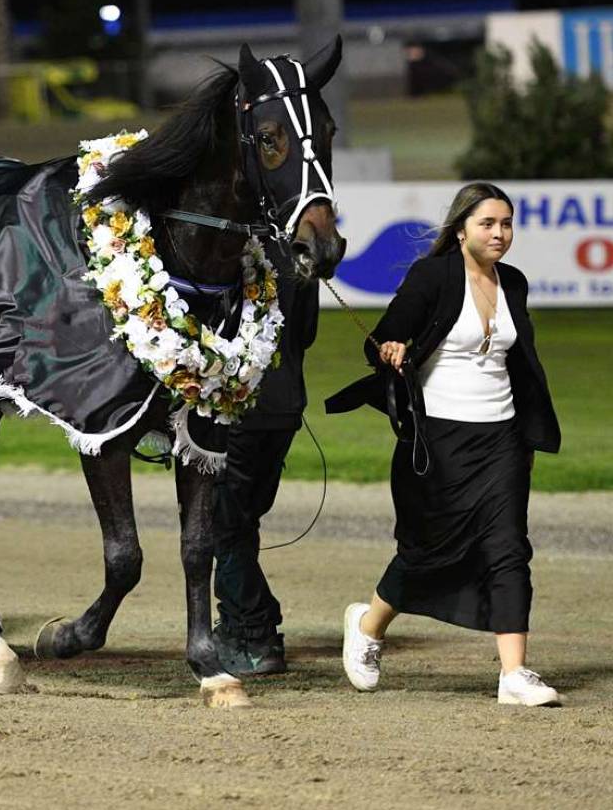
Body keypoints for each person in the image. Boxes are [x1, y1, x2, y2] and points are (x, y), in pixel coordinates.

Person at [326, 182, 562, 706]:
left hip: (502, 438)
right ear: (461, 230)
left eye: (506, 224)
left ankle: (514, 674)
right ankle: (367, 624)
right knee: (428, 550)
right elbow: (383, 337)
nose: (499, 233)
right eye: (487, 224)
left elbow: (518, 361)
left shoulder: (514, 284)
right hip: (438, 440)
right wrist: (388, 347)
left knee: (508, 547)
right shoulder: (431, 276)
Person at [211, 241, 319, 676]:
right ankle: (239, 624)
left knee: (225, 523)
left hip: (238, 409)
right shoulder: (297, 250)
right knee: (242, 521)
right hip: (286, 407)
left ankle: (256, 631)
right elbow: (307, 331)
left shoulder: (228, 251)